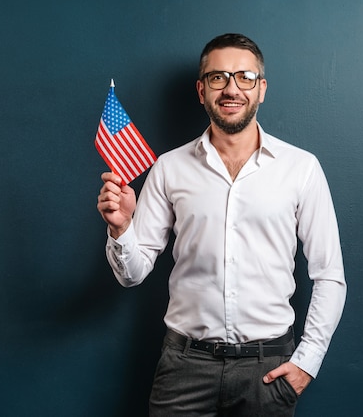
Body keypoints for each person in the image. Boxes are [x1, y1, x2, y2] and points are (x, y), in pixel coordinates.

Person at [97, 33, 346, 416]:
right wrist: (122, 229)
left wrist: (306, 362)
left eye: (244, 77)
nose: (232, 88)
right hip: (184, 368)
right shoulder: (169, 168)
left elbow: (329, 275)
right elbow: (131, 275)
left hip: (268, 370)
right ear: (201, 90)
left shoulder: (302, 169)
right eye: (218, 78)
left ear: (261, 89)